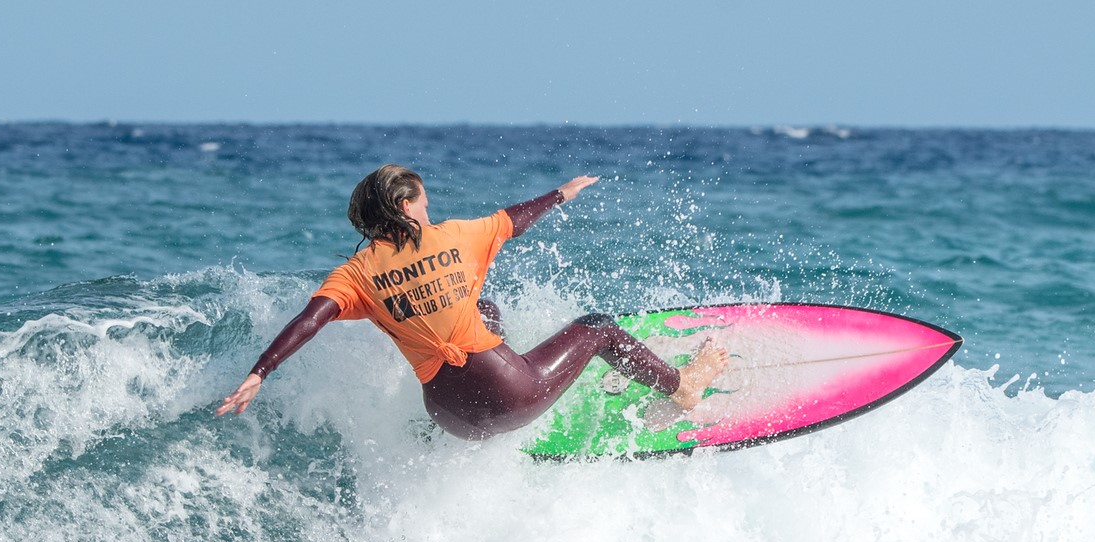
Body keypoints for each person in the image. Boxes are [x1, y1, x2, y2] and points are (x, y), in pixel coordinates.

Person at [215, 165, 728, 438]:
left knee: (485, 311)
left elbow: (309, 320)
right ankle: (684, 388)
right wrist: (561, 194)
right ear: (403, 207)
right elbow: (515, 218)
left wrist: (260, 372)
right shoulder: (457, 236)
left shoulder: (355, 274)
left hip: (451, 421)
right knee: (595, 326)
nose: (430, 209)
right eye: (423, 202)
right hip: (512, 397)